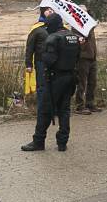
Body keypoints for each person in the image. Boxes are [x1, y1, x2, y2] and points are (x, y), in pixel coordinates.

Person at [22, 13, 79, 152]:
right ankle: (62, 143)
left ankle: (38, 141)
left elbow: (48, 60)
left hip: (54, 79)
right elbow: (78, 57)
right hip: (70, 77)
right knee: (64, 111)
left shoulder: (53, 38)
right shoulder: (73, 37)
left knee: (45, 110)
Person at [24, 7, 52, 107]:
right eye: (48, 10)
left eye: (52, 10)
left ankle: (53, 108)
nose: (50, 11)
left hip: (54, 62)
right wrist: (28, 64)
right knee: (42, 85)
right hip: (41, 61)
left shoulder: (56, 27)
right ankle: (42, 108)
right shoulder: (36, 29)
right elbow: (29, 47)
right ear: (43, 12)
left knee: (53, 86)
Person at [74, 24, 101, 115]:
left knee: (92, 82)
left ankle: (90, 103)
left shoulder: (89, 23)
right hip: (82, 57)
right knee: (82, 83)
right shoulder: (75, 26)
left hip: (92, 57)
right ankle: (79, 105)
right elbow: (80, 37)